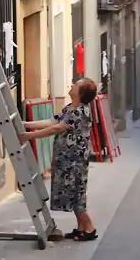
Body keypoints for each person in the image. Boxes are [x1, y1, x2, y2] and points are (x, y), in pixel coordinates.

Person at [20, 78, 99, 241]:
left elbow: (57, 128)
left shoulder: (80, 111)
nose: (72, 86)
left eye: (76, 85)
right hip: (66, 159)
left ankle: (89, 228)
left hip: (75, 161)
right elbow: (52, 121)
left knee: (77, 195)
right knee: (74, 194)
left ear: (81, 92)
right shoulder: (70, 108)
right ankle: (81, 228)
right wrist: (27, 124)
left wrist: (30, 136)